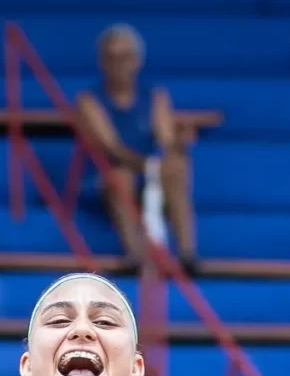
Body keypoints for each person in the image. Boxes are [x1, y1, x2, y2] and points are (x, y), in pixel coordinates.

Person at [71, 23, 203, 268]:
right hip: (104, 178)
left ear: (137, 61)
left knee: (178, 167)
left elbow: (166, 140)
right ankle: (136, 257)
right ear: (102, 61)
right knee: (121, 177)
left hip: (145, 173)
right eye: (112, 57)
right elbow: (111, 148)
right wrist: (152, 167)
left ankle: (187, 256)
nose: (119, 64)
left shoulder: (154, 95)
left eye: (125, 57)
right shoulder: (89, 100)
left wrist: (178, 145)